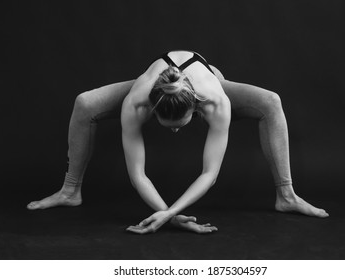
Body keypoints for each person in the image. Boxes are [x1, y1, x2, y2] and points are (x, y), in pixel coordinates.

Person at [27, 50, 329, 234]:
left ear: (196, 110)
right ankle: (70, 191)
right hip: (160, 79)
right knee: (85, 103)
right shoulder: (137, 102)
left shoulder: (214, 101)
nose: (174, 133)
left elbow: (209, 174)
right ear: (152, 110)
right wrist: (170, 217)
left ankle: (286, 196)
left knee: (270, 101)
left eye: (180, 125)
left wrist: (168, 214)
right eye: (166, 126)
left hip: (206, 77)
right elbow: (138, 175)